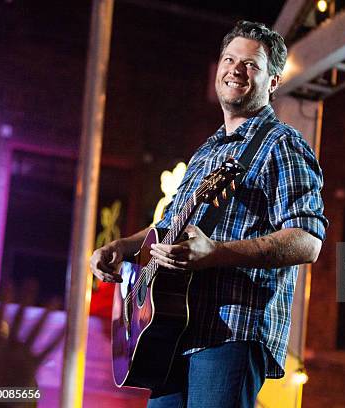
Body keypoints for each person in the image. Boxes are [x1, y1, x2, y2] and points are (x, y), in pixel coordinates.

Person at [90, 20, 327, 408]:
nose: (235, 69)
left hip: (231, 331)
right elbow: (169, 226)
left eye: (250, 65)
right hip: (171, 331)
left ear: (272, 82)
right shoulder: (208, 149)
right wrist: (123, 246)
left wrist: (215, 253)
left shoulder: (283, 144)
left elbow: (308, 240)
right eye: (229, 59)